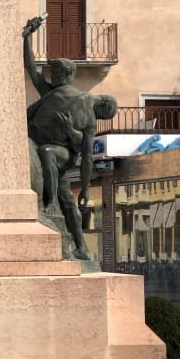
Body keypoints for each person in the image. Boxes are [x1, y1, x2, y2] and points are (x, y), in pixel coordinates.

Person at [22, 15, 118, 260]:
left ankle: (49, 201)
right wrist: (27, 38)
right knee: (69, 202)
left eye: (54, 70)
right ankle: (82, 248)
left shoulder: (85, 104)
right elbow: (32, 70)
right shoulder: (51, 92)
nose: (50, 73)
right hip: (48, 153)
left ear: (64, 74)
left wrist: (86, 188)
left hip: (62, 155)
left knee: (48, 155)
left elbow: (86, 155)